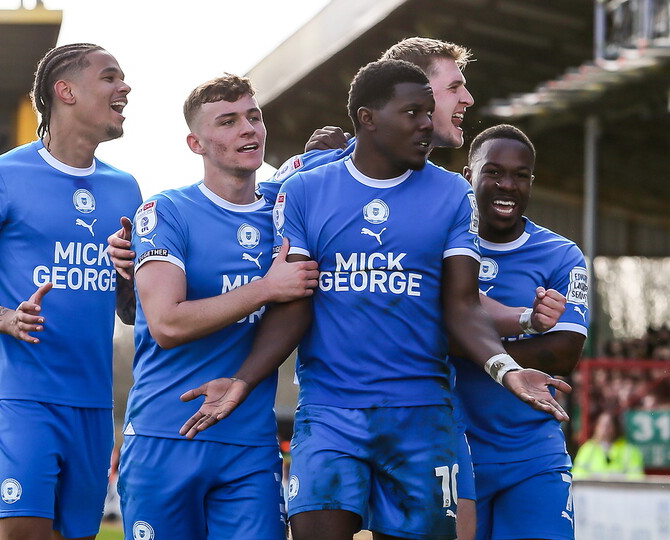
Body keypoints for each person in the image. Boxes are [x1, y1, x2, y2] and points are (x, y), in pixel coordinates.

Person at [180, 59, 570, 540]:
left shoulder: (452, 194)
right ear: (367, 118)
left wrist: (506, 370)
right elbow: (294, 304)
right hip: (329, 414)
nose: (428, 124)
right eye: (412, 112)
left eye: (430, 112)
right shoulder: (306, 190)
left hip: (422, 417)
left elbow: (463, 305)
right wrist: (242, 381)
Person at [0, 43, 141, 540]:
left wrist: (130, 274)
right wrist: (6, 318)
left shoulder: (127, 189)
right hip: (22, 396)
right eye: (110, 78)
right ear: (64, 91)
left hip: (94, 403)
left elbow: (131, 312)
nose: (125, 88)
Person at [116, 74, 318, 540]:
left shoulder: (286, 211)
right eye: (227, 122)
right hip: (165, 438)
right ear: (196, 143)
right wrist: (266, 288)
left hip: (248, 446)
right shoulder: (165, 211)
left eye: (253, 116)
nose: (247, 129)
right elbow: (166, 322)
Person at [454, 124, 590, 540]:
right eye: (493, 172)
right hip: (452, 452)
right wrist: (517, 339)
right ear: (467, 176)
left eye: (520, 175)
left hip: (532, 455)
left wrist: (462, 339)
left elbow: (564, 352)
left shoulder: (562, 254)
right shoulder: (441, 247)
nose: (507, 185)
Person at [572, 412, 644, 479]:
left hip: (621, 491)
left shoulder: (629, 450)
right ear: (596, 427)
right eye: (602, 425)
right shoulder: (588, 448)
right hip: (593, 491)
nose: (604, 428)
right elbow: (578, 473)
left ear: (616, 427)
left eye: (608, 425)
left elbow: (636, 477)